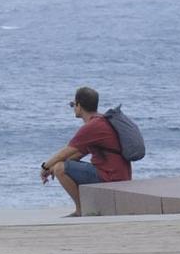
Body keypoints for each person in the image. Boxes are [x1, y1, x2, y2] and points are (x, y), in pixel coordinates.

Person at [39, 85, 131, 214]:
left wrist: (45, 167)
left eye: (73, 104)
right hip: (120, 175)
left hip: (111, 177)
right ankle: (85, 208)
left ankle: (81, 210)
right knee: (59, 167)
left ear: (79, 106)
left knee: (60, 168)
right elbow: (77, 154)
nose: (73, 108)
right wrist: (51, 169)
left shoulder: (92, 127)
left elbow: (65, 152)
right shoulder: (101, 121)